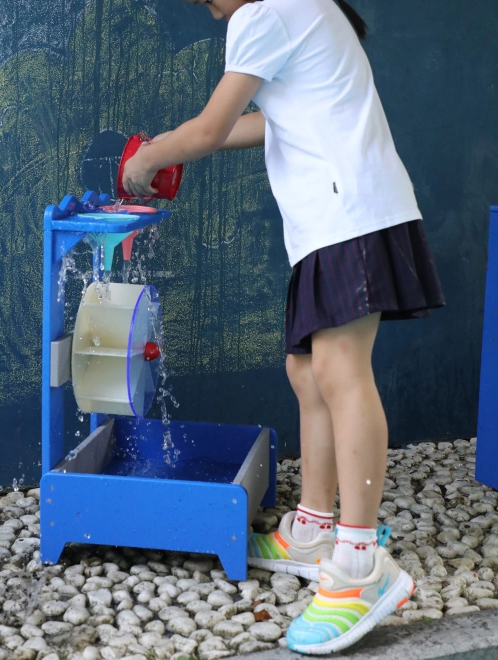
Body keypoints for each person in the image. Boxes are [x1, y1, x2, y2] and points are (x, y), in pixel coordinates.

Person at [121, 0, 445, 654]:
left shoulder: (264, 13)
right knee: (307, 370)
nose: (213, 14)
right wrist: (171, 142)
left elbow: (211, 129)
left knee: (339, 372)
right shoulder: (303, 8)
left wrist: (144, 164)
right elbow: (270, 120)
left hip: (346, 214)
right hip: (342, 216)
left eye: (208, 1)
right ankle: (314, 530)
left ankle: (358, 566)